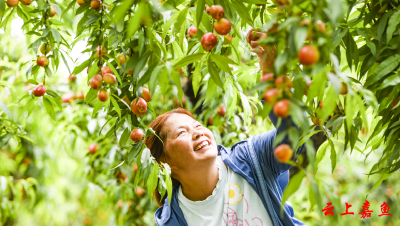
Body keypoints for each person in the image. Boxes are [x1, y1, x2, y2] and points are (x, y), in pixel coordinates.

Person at [144, 31, 306, 226]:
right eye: (181, 133)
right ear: (165, 164)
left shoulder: (251, 158)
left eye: (197, 125)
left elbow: (295, 134)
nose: (197, 132)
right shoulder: (175, 222)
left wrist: (271, 76)